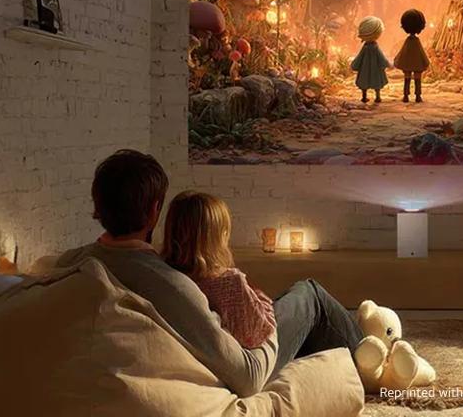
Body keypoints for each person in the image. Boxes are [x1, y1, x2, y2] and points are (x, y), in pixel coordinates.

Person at [53, 150, 363, 396]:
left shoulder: (70, 265)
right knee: (309, 295)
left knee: (295, 298)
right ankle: (373, 361)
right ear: (153, 211)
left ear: (97, 204)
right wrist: (270, 334)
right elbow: (249, 377)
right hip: (236, 363)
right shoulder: (170, 284)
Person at [160, 190, 275, 349]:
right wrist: (260, 298)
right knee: (310, 293)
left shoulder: (161, 276)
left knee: (300, 293)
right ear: (218, 236)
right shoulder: (229, 283)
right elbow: (260, 334)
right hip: (251, 357)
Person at [393, 9, 431, 103]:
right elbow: (421, 53)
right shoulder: (417, 42)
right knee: (418, 79)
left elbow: (403, 52)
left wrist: (397, 59)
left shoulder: (408, 41)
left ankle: (406, 95)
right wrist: (426, 61)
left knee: (407, 78)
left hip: (407, 64)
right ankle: (418, 96)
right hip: (418, 64)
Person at [350, 16, 391, 103]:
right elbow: (381, 57)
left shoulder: (365, 47)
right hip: (376, 69)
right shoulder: (375, 47)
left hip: (365, 69)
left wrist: (354, 64)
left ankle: (364, 97)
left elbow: (359, 57)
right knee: (377, 83)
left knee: (364, 82)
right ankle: (378, 97)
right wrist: (387, 64)